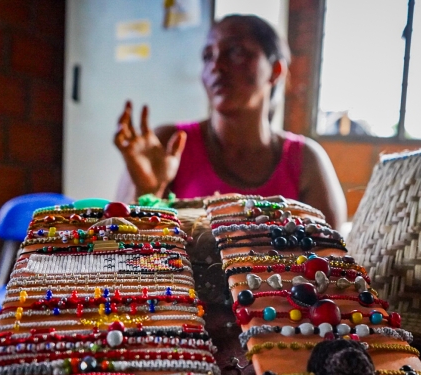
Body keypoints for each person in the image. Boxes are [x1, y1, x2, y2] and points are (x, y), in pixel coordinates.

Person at [114, 14, 347, 230]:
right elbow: (118, 239)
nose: (216, 66)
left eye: (236, 52)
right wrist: (147, 191)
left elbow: (335, 259)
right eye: (208, 56)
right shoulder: (170, 144)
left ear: (275, 70)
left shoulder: (305, 160)